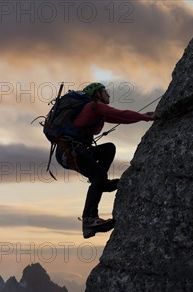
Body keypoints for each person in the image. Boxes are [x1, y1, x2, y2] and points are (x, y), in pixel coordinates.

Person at [55, 82, 154, 238]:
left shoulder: (97, 112)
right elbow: (122, 113)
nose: (108, 94)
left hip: (72, 151)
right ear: (97, 94)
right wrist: (147, 117)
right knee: (98, 177)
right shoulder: (94, 107)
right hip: (70, 151)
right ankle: (89, 219)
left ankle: (102, 184)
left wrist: (143, 117)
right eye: (104, 91)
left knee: (108, 149)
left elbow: (122, 118)